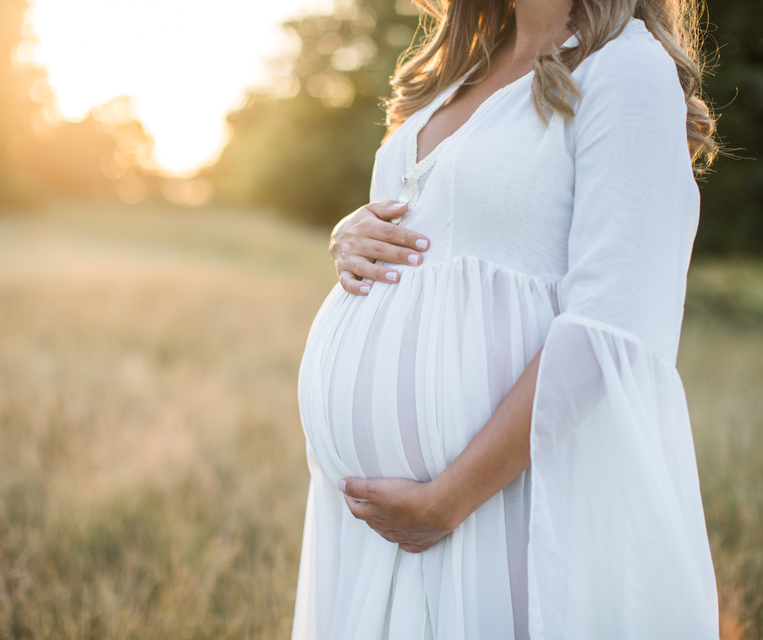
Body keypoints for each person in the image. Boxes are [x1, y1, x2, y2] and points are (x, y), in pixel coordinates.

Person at [293, 0, 720, 637]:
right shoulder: (459, 71)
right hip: (377, 530)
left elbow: (612, 325)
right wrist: (347, 235)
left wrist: (449, 499)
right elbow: (439, 227)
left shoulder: (624, 68)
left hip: (504, 502)